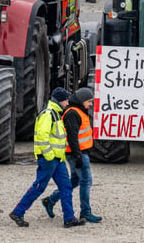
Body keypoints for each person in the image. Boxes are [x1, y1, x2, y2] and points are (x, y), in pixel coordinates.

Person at [9, 87, 85, 229]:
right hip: (51, 159)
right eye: (66, 100)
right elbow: (42, 136)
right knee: (40, 186)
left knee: (65, 187)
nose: (68, 102)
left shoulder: (54, 114)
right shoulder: (49, 114)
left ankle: (69, 218)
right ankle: (18, 212)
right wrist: (49, 155)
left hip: (56, 159)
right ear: (60, 101)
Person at [42, 87, 102, 223]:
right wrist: (78, 156)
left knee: (75, 180)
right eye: (89, 101)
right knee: (86, 181)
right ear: (82, 101)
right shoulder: (73, 113)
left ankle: (50, 200)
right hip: (77, 153)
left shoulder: (78, 111)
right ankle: (85, 212)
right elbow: (72, 137)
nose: (91, 104)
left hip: (78, 152)